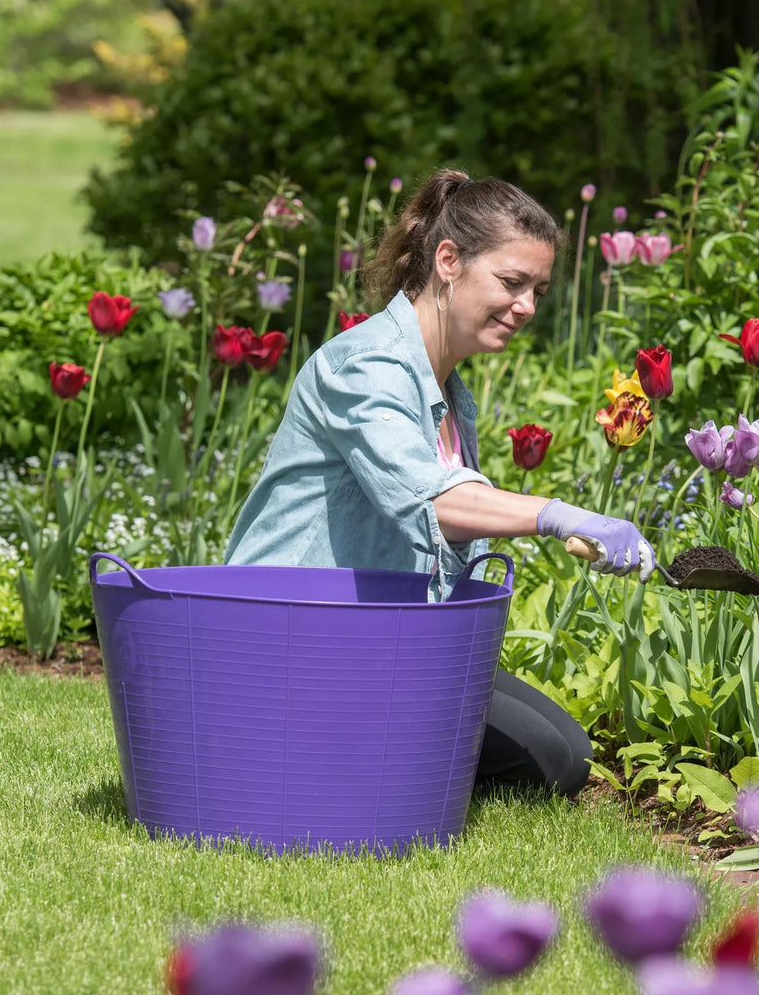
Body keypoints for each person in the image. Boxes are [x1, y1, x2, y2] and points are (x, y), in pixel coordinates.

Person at [225, 169, 655, 798]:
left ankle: (384, 742)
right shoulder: (367, 367)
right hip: (295, 634)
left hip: (375, 628)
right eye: (512, 283)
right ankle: (325, 751)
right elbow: (433, 500)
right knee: (542, 763)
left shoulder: (448, 388)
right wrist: (558, 514)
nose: (528, 307)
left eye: (537, 288)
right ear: (448, 261)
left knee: (565, 752)